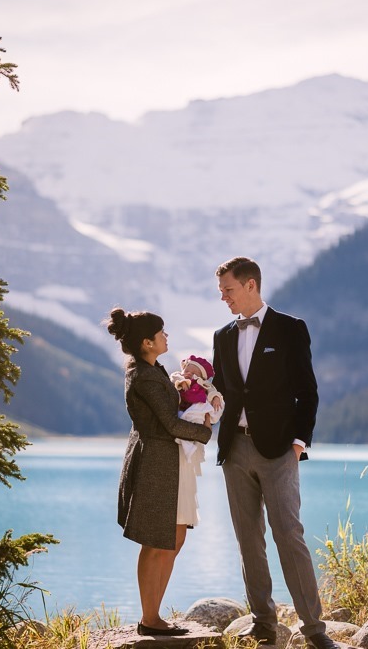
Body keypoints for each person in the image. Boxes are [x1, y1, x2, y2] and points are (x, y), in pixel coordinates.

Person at [212, 257, 340, 649]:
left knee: (288, 534)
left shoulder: (290, 328)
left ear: (251, 285)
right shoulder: (222, 336)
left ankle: (315, 630)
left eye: (228, 290)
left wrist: (300, 441)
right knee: (248, 539)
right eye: (220, 292)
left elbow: (308, 389)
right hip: (235, 448)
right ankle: (264, 623)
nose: (224, 299)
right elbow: (225, 390)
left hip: (279, 450)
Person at [106, 307, 212, 637]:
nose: (167, 337)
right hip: (154, 462)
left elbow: (170, 412)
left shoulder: (152, 368)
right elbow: (168, 423)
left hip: (168, 460)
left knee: (175, 537)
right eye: (162, 333)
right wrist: (206, 431)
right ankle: (149, 618)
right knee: (155, 541)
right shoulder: (143, 376)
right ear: (147, 342)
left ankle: (154, 615)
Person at [170, 355, 224, 526]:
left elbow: (214, 391)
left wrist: (215, 398)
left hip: (196, 412)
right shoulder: (178, 377)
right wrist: (181, 381)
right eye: (187, 370)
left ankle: (191, 441)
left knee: (202, 412)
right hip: (182, 413)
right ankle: (187, 439)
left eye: (194, 372)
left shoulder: (203, 385)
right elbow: (174, 379)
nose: (189, 374)